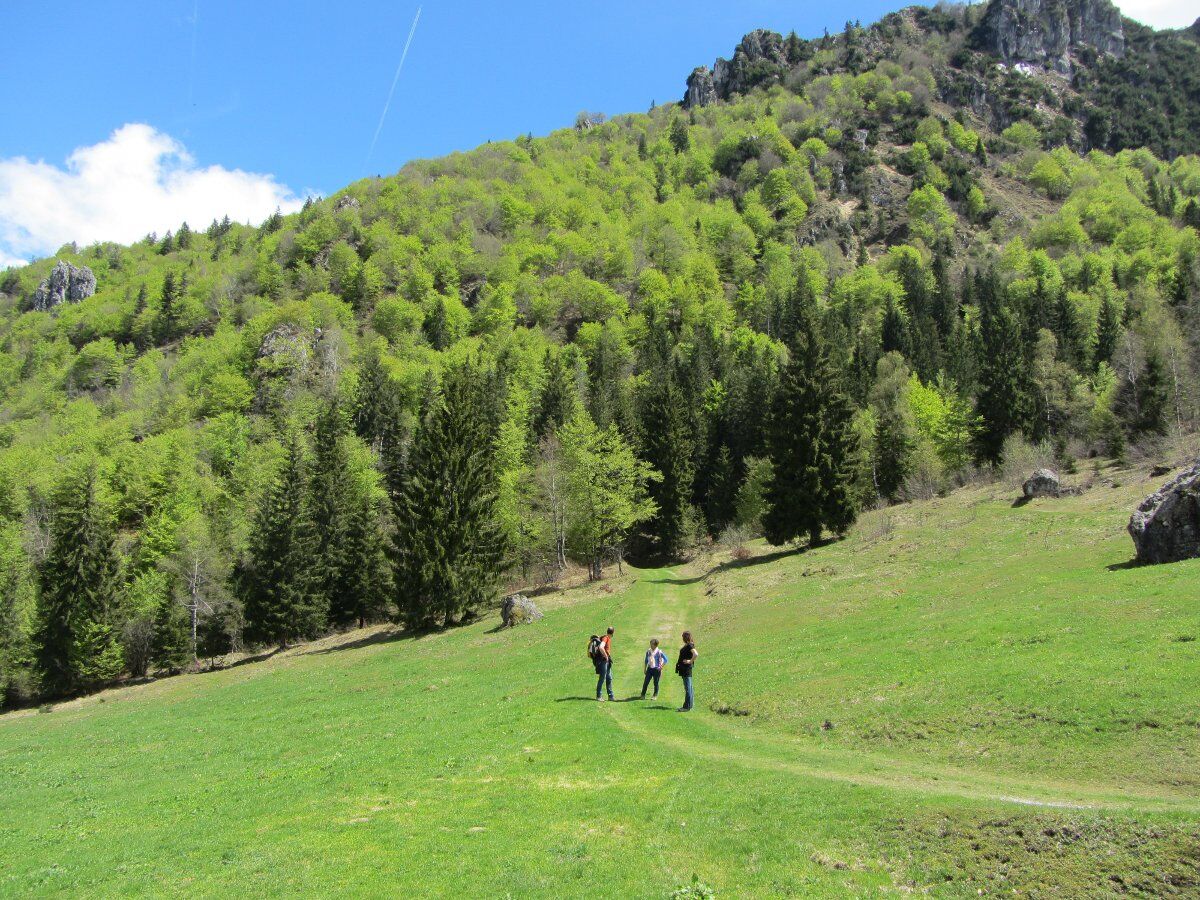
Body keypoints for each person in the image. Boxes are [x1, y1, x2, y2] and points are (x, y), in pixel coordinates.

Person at [675, 631, 697, 712]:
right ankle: (690, 705)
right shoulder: (688, 645)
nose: (682, 638)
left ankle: (686, 707)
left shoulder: (690, 645)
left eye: (683, 637)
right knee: (689, 687)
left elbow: (696, 654)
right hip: (685, 669)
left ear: (685, 637)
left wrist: (689, 661)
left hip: (686, 669)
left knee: (688, 688)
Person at [595, 626, 615, 701]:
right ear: (613, 633)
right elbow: (601, 647)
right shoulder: (606, 638)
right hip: (604, 661)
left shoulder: (606, 637)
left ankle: (611, 696)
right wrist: (606, 656)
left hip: (607, 662)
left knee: (609, 678)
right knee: (602, 678)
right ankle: (598, 696)